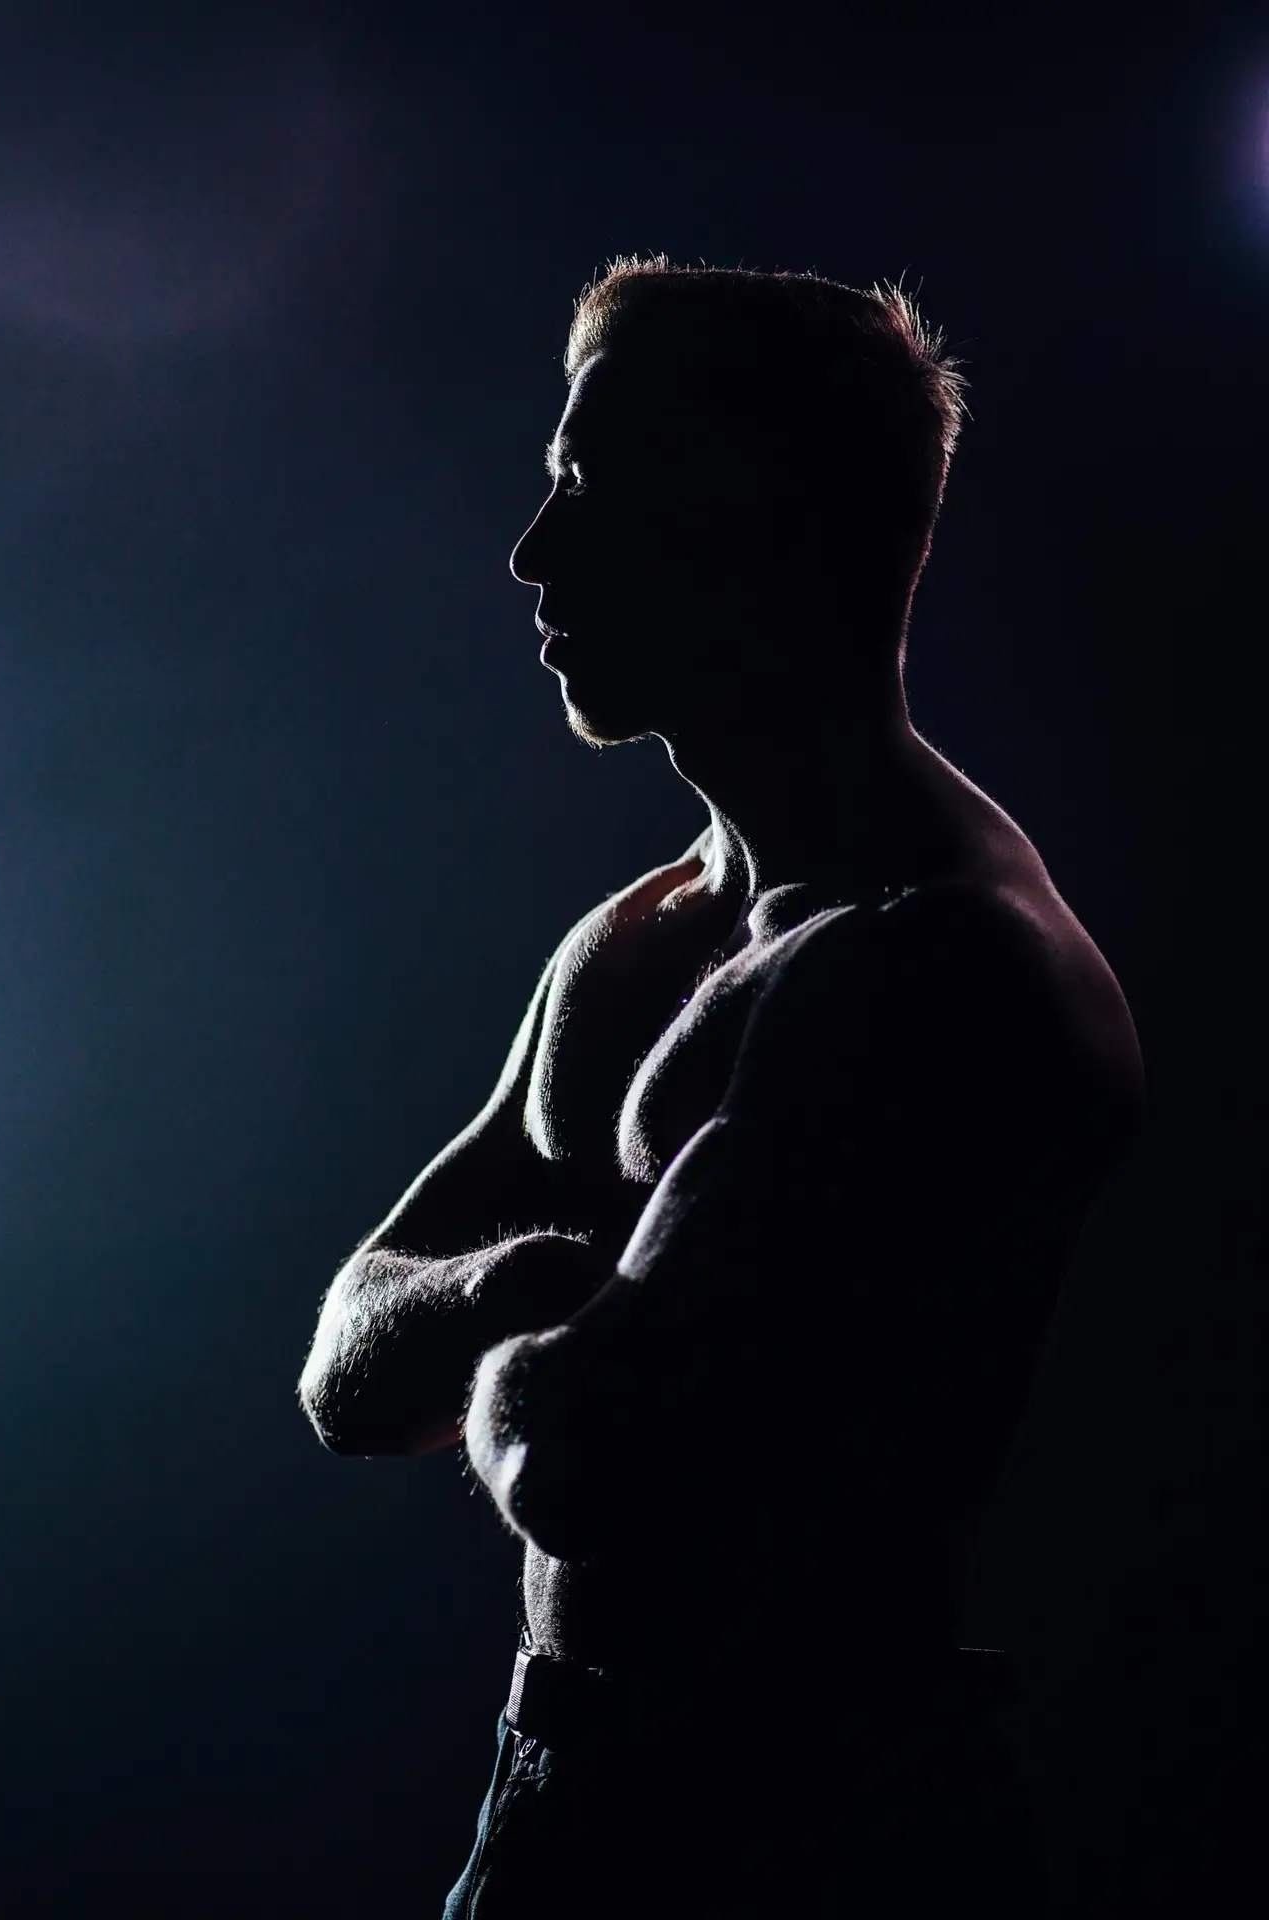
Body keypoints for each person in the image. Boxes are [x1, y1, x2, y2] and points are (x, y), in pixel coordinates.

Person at [297, 256, 1145, 1916]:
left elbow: (591, 1473)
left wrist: (495, 1324)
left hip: (813, 1823)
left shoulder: (937, 961)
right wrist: (527, 1292)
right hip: (549, 1775)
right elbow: (342, 1362)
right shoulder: (633, 938)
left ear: (769, 523)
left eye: (590, 486)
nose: (534, 553)